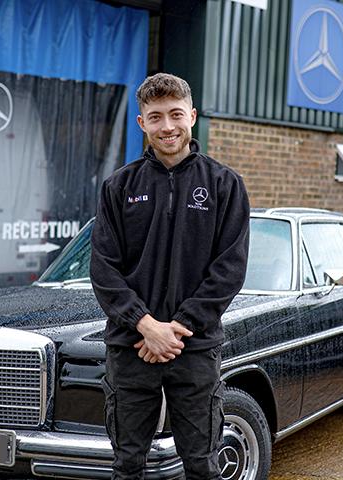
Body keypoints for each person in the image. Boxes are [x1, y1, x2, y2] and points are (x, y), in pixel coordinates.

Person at [90, 72, 250, 480]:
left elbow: (229, 270)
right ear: (141, 123)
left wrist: (176, 329)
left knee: (202, 466)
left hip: (194, 348)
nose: (167, 126)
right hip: (132, 347)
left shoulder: (225, 185)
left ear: (192, 116)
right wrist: (146, 326)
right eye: (156, 117)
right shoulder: (119, 187)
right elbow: (104, 269)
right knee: (127, 466)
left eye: (176, 114)